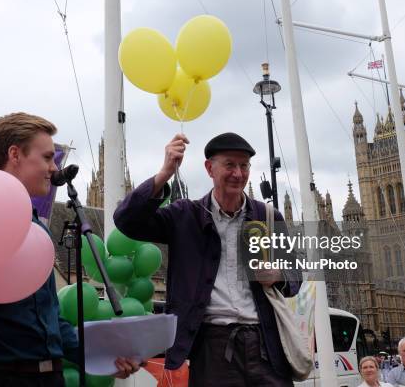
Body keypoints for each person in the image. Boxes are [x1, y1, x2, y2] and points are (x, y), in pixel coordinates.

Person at [0, 112, 141, 387]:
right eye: (47, 157)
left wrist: (103, 357)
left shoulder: (38, 229)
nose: (53, 168)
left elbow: (51, 322)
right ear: (15, 154)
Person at [114, 132, 302, 386]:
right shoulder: (185, 215)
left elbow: (295, 276)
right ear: (209, 168)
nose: (238, 173)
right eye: (230, 165)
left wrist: (277, 275)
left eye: (244, 165)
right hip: (213, 348)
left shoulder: (267, 216)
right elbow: (127, 221)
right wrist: (165, 173)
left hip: (266, 346)